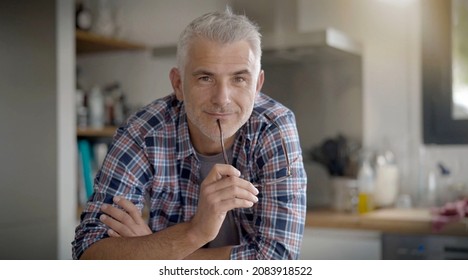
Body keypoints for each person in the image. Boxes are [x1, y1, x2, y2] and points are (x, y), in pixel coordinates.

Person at [72, 9, 306, 260]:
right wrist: (196, 232)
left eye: (239, 79)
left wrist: (156, 252)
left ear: (257, 85)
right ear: (178, 84)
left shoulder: (274, 128)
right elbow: (89, 252)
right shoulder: (144, 131)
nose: (222, 99)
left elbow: (276, 262)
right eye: (206, 78)